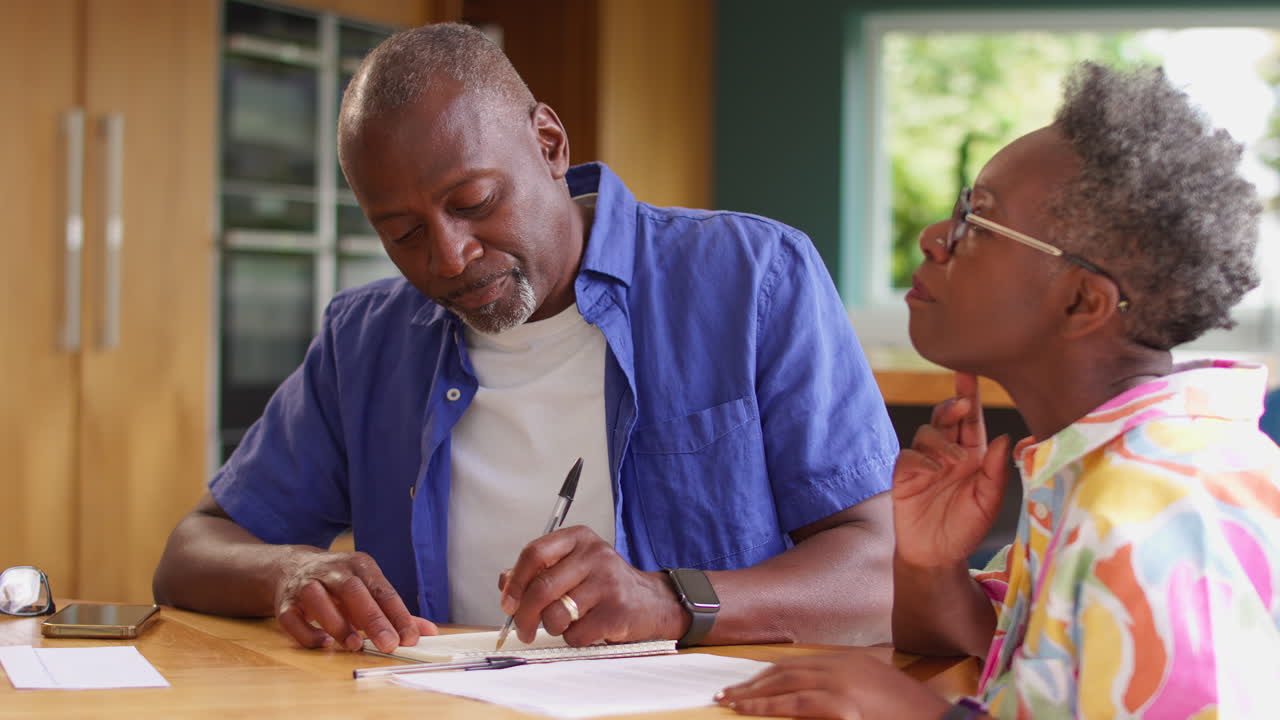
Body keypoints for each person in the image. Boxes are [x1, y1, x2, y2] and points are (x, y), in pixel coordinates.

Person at [152, 23, 900, 655]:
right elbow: (195, 549)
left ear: (549, 144)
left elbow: (881, 575)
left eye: (474, 201)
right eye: (404, 234)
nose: (449, 257)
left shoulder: (751, 277)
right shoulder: (366, 341)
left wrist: (671, 600)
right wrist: (290, 572)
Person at [717, 62, 1280, 718]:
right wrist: (930, 563)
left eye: (978, 222)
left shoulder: (1155, 501)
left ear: (1082, 302)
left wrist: (919, 715)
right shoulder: (1100, 467)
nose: (934, 237)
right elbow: (980, 647)